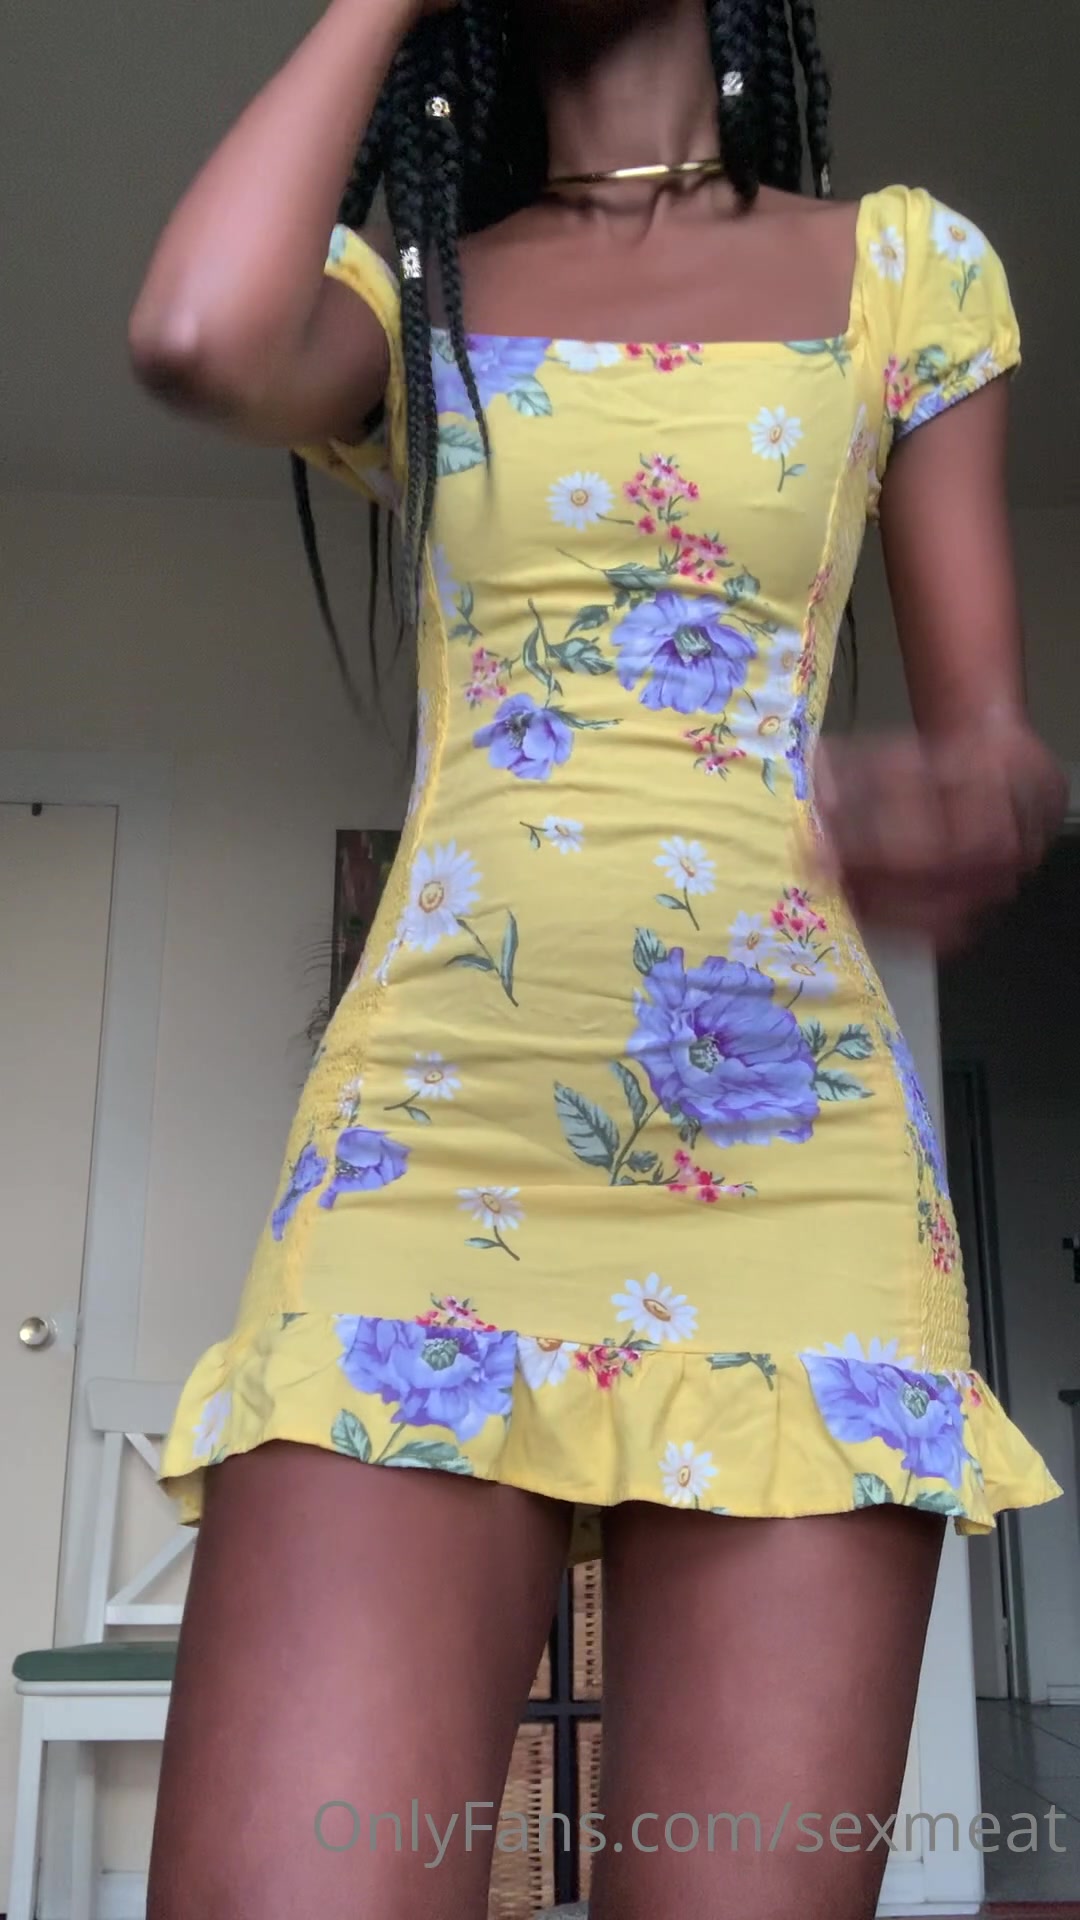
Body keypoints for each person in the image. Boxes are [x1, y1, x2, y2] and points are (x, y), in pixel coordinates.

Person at [129, 1, 1067, 1914]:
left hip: (791, 1175)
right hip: (424, 1156)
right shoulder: (410, 293)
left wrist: (972, 803)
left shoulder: (910, 268)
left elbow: (992, 744)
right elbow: (197, 336)